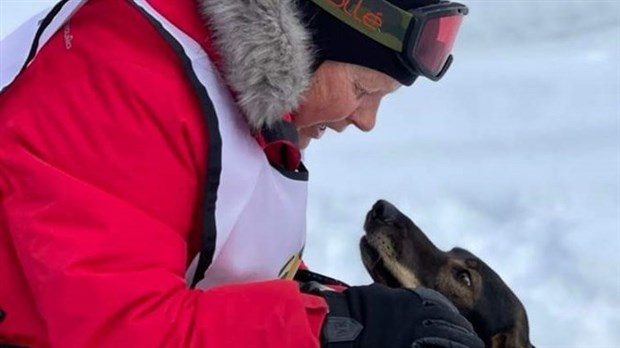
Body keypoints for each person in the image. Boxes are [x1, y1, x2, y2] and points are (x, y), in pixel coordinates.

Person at [0, 0, 482, 347]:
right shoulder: (124, 80)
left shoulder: (234, 89)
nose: (365, 120)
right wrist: (335, 326)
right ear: (306, 41)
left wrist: (331, 300)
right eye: (362, 89)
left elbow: (210, 262)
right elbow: (117, 331)